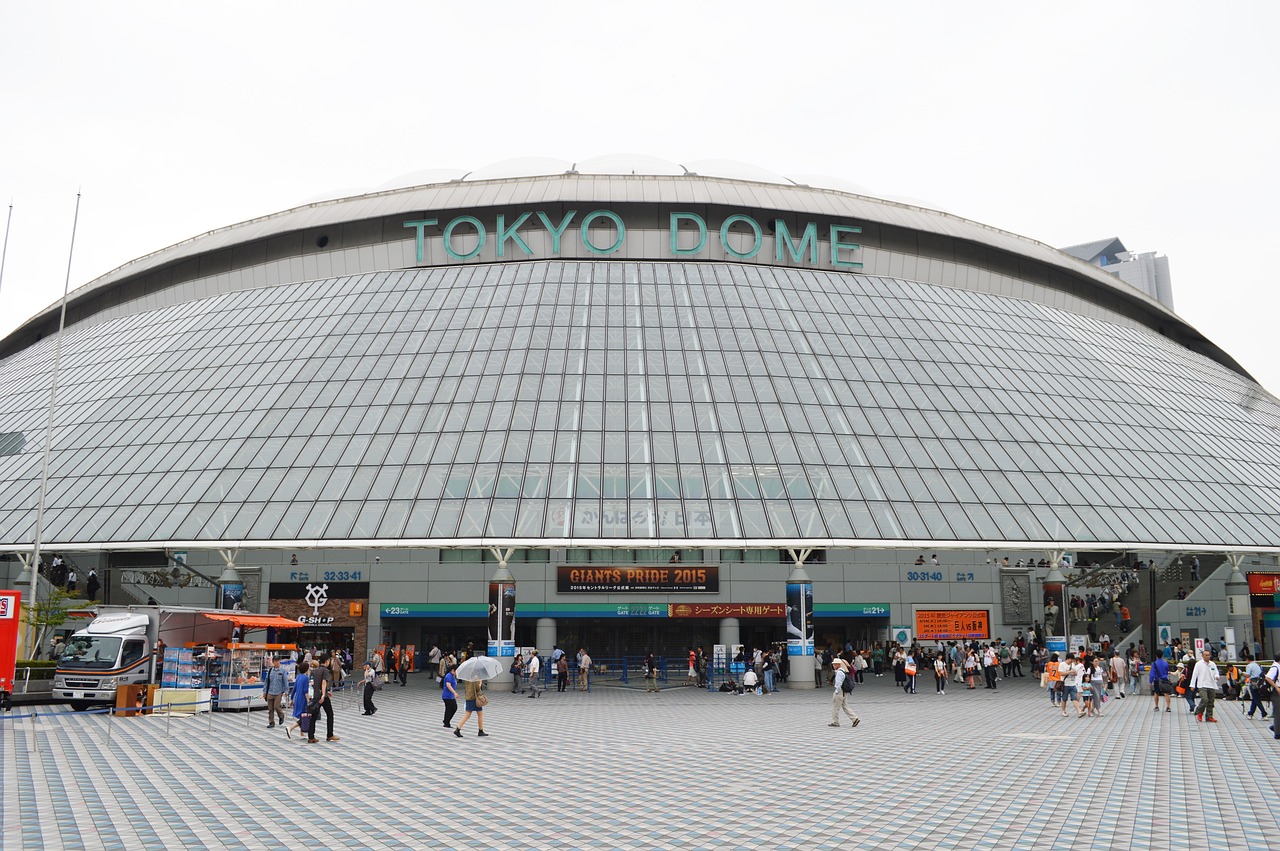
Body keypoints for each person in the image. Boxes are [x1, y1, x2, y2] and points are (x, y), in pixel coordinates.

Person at [308, 652, 339, 743]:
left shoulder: (316, 670)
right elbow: (324, 682)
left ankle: (311, 736)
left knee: (313, 716)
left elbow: (316, 683)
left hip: (316, 695)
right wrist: (323, 694)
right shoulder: (325, 670)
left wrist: (326, 691)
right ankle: (330, 735)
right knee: (330, 714)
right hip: (322, 696)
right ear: (326, 661)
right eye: (329, 660)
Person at [828, 658, 860, 728]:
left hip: (840, 692)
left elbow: (838, 684)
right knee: (845, 706)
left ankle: (835, 722)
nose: (833, 665)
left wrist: (836, 692)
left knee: (835, 707)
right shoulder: (843, 671)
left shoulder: (839, 673)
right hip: (844, 692)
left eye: (834, 664)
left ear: (838, 665)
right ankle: (854, 718)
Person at [1190, 648, 1221, 722]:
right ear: (1203, 656)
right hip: (1202, 685)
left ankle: (1209, 716)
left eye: (1209, 655)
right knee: (1205, 699)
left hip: (1211, 684)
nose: (1208, 657)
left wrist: (1217, 676)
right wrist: (1192, 685)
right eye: (1206, 655)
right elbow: (1195, 675)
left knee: (1211, 701)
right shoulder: (1198, 664)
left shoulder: (1212, 664)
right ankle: (1199, 712)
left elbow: (1216, 672)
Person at [262, 656, 289, 728]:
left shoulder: (282, 671)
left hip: (278, 692)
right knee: (270, 709)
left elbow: (285, 682)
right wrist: (265, 692)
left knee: (277, 706)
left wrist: (286, 691)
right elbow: (266, 682)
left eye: (278, 661)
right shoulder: (270, 671)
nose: (277, 663)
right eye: (275, 661)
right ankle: (271, 722)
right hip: (270, 692)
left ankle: (281, 715)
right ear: (273, 662)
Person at [286, 661, 310, 739]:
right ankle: (291, 728)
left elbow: (294, 689)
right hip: (303, 699)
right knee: (304, 716)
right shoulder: (306, 678)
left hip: (297, 698)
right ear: (307, 669)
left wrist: (292, 698)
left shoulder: (298, 676)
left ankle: (302, 733)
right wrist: (308, 700)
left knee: (301, 715)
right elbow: (305, 690)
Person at [1245, 656, 1270, 720]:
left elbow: (1247, 675)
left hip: (1253, 682)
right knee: (1255, 698)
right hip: (1259, 682)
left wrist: (1242, 673)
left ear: (1247, 659)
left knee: (1256, 699)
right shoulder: (1258, 665)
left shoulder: (1249, 666)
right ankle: (1250, 713)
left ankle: (1264, 714)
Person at [1059, 653, 1083, 718]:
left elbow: (1076, 673)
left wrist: (1074, 672)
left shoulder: (1073, 665)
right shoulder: (1062, 664)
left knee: (1074, 698)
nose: (1072, 661)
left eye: (1073, 659)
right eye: (1071, 659)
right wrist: (1069, 672)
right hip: (1065, 684)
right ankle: (1063, 711)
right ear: (1067, 658)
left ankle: (1079, 711)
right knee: (1064, 698)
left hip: (1073, 684)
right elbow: (1061, 673)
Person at [440, 662, 460, 728]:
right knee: (449, 709)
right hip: (447, 696)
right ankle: (446, 722)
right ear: (453, 670)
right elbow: (448, 685)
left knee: (454, 708)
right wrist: (454, 693)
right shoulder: (448, 676)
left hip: (451, 696)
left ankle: (446, 721)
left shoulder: (452, 676)